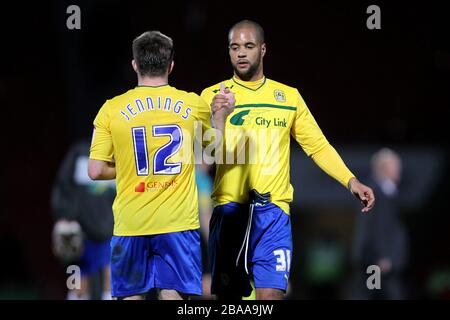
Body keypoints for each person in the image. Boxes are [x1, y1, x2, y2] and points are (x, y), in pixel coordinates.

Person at [201, 20, 375, 300]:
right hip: (230, 211)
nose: (241, 53)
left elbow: (317, 146)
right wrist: (217, 119)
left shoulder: (288, 98)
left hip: (274, 213)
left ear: (263, 49)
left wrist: (350, 180)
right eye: (235, 47)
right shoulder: (212, 96)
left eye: (248, 46)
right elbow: (205, 157)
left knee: (271, 297)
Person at [88, 31, 233, 300]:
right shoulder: (193, 103)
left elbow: (95, 171)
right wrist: (221, 117)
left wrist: (127, 169)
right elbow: (215, 153)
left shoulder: (111, 109)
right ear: (170, 66)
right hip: (178, 225)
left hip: (131, 225)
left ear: (134, 65)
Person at [51, 139, 114, 300]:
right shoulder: (79, 153)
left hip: (111, 229)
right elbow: (63, 185)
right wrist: (63, 216)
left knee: (112, 279)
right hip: (80, 229)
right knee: (76, 280)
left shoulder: (120, 153)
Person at [351, 148, 408, 299]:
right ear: (384, 168)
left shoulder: (390, 192)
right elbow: (373, 228)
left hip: (387, 262)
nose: (399, 170)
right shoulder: (374, 193)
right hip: (376, 263)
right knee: (372, 293)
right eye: (395, 166)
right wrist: (381, 257)